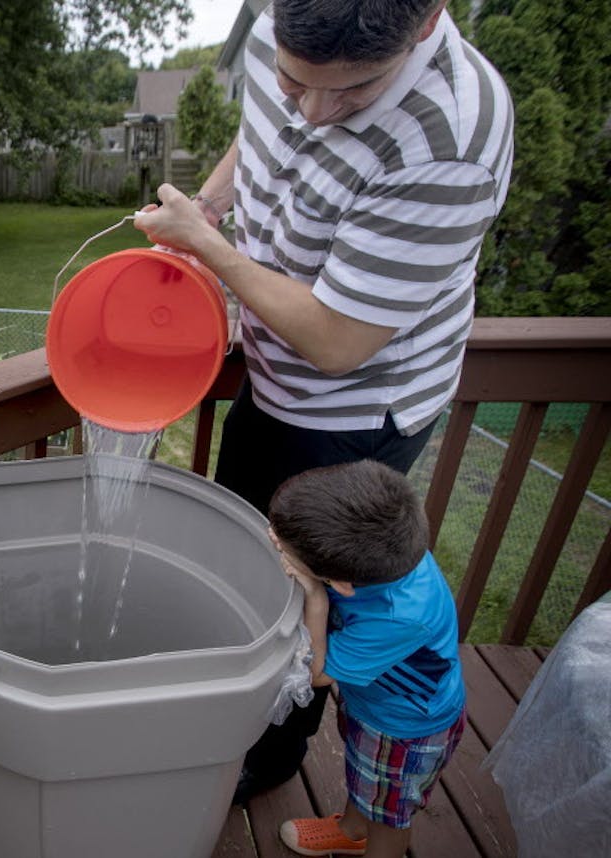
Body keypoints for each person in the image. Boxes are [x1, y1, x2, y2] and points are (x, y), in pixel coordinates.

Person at [128, 0, 511, 802]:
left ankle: (263, 758)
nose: (314, 113)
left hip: (352, 415)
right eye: (293, 81)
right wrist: (210, 208)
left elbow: (337, 341)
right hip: (271, 379)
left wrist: (211, 248)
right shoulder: (281, 27)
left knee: (306, 593)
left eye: (356, 91)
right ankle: (209, 705)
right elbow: (265, 133)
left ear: (429, 17)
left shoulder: (454, 137)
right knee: (238, 550)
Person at [267, 460, 464, 857]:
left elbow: (318, 674)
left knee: (390, 815)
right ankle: (353, 830)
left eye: (283, 548)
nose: (275, 543)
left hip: (405, 729)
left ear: (340, 584)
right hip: (370, 702)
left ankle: (375, 845)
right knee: (366, 779)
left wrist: (316, 600)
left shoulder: (400, 617)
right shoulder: (385, 548)